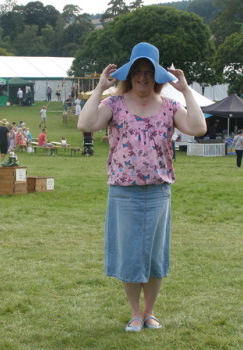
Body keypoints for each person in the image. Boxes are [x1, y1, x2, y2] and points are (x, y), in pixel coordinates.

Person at [77, 42, 206, 332]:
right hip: (124, 192)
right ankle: (135, 313)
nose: (143, 77)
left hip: (158, 192)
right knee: (130, 253)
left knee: (154, 254)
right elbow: (85, 124)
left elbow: (198, 128)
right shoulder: (114, 104)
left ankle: (150, 312)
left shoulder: (171, 106)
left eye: (149, 71)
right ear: (129, 74)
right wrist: (100, 88)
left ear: (158, 76)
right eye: (138, 71)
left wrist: (185, 90)